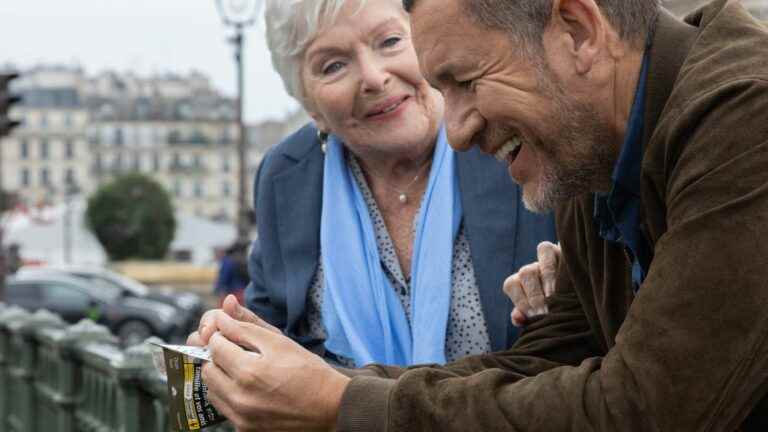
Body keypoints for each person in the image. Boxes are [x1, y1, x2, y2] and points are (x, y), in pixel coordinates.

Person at [190, 0, 768, 430]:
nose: (457, 131)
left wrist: (340, 404)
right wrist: (312, 384)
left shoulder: (748, 116)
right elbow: (547, 364)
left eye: (466, 82)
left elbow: (644, 410)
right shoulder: (589, 144)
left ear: (578, 29)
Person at [240, 0, 557, 368]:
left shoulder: (507, 132)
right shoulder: (286, 176)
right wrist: (235, 351)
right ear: (311, 108)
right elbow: (271, 333)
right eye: (334, 65)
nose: (374, 77)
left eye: (389, 42)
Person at [213, 241, 249, 307]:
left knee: (226, 314)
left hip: (231, 293)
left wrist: (217, 289)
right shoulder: (242, 260)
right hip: (242, 292)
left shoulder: (227, 261)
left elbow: (223, 278)